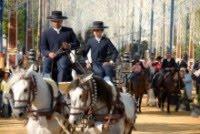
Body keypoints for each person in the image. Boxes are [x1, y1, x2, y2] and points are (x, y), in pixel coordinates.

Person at [40, 11, 80, 82]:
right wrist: (49, 53)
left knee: (63, 65)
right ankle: (47, 85)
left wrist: (69, 45)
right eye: (54, 21)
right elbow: (42, 48)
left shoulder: (69, 31)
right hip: (49, 56)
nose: (56, 23)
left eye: (58, 21)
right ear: (51, 21)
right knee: (46, 66)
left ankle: (61, 87)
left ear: (61, 21)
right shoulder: (46, 33)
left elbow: (77, 44)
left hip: (63, 55)